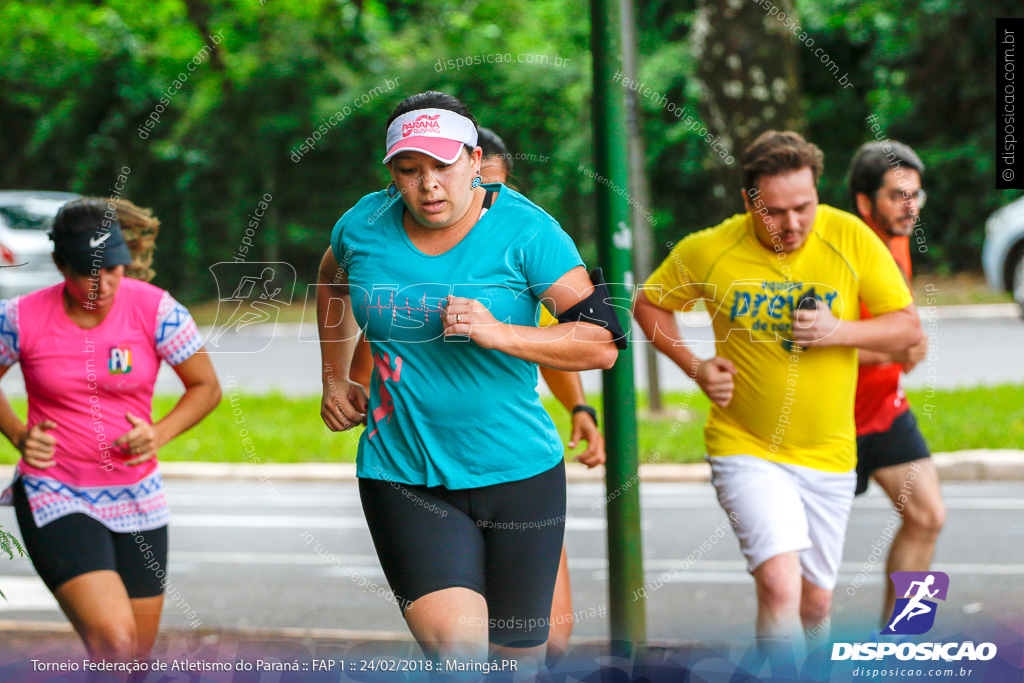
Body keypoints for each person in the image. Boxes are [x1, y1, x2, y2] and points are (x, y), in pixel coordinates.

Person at [316, 91, 620, 670]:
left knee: (521, 662)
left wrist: (502, 333)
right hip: (404, 472)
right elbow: (332, 283)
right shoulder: (361, 225)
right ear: (392, 173)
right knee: (459, 655)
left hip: (520, 475)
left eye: (442, 165)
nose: (428, 184)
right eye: (410, 170)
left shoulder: (529, 232)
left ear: (475, 161)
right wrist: (335, 377)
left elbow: (602, 344)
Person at [632, 131, 923, 655]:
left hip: (830, 455)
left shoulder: (849, 237)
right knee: (780, 586)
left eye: (803, 207)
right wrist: (696, 367)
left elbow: (906, 329)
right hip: (746, 446)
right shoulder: (711, 249)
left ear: (817, 192)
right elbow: (649, 304)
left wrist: (839, 331)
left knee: (814, 605)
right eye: (775, 211)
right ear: (748, 202)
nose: (792, 224)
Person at [0, 198, 220, 660]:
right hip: (54, 491)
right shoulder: (20, 317)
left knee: (132, 659)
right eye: (86, 272)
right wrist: (19, 433)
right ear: (61, 266)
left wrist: (158, 434)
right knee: (116, 643)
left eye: (113, 269)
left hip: (138, 495)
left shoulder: (157, 309)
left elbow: (205, 387)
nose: (102, 284)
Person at [848, 141, 944, 626]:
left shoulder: (899, 241)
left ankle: (900, 644)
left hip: (884, 410)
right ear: (865, 202)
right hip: (830, 424)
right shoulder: (838, 255)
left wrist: (905, 350)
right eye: (897, 196)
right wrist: (894, 350)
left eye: (916, 195)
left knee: (928, 516)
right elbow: (809, 345)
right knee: (802, 559)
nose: (911, 207)